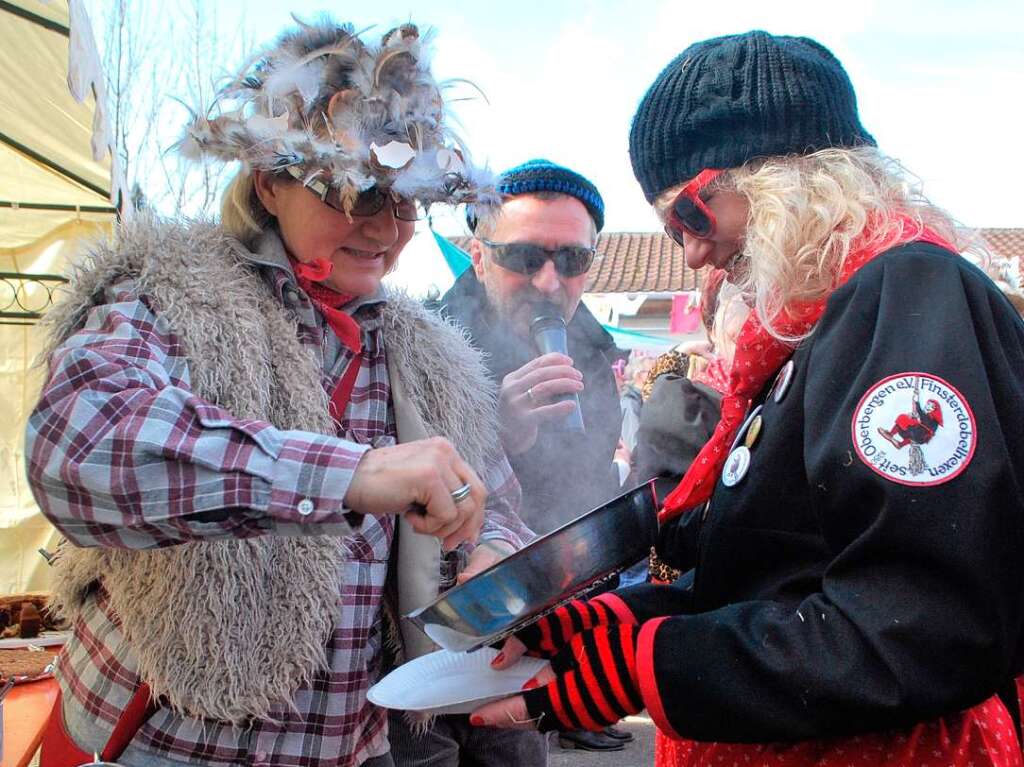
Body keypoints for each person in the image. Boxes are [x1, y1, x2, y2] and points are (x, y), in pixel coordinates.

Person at [471, 30, 1024, 767]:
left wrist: (651, 664)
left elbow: (925, 622)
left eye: (692, 216)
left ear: (787, 179)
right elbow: (781, 577)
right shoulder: (812, 332)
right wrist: (616, 621)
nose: (693, 252)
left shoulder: (907, 292)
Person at [26, 18, 533, 767]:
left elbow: (500, 502)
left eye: (405, 204)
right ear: (269, 180)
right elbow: (76, 446)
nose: (387, 232)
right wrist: (351, 473)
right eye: (357, 194)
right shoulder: (169, 290)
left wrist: (494, 554)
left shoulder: (431, 351)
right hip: (166, 744)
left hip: (348, 749)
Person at [423, 159, 630, 755]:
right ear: (479, 253)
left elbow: (584, 492)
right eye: (523, 257)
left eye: (572, 260)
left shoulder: (595, 357)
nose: (549, 281)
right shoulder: (424, 342)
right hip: (426, 639)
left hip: (532, 627)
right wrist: (497, 435)